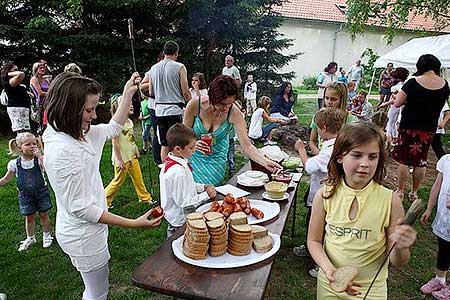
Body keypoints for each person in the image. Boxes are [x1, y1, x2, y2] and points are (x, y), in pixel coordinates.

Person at [43, 72, 163, 300]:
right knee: (97, 292)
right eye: (89, 110)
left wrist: (128, 92)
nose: (94, 115)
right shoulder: (63, 152)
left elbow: (113, 128)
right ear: (69, 108)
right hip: (82, 235)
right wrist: (133, 223)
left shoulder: (74, 132)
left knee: (97, 288)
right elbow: (81, 208)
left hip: (87, 231)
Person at [308, 122, 417, 299]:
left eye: (373, 157)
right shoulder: (324, 196)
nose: (365, 163)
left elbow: (398, 261)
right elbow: (313, 241)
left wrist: (401, 246)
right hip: (329, 284)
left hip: (370, 290)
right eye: (357, 155)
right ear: (339, 156)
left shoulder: (391, 201)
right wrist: (329, 271)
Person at [184, 75, 280, 186]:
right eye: (223, 104)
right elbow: (183, 135)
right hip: (193, 157)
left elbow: (247, 145)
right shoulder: (195, 105)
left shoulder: (234, 112)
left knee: (210, 194)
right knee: (189, 192)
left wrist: (264, 162)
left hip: (216, 160)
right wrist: (194, 143)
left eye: (231, 103)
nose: (227, 107)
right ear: (213, 98)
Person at [292, 108, 346, 277]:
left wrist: (301, 149)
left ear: (323, 127)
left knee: (319, 228)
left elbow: (308, 167)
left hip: (323, 197)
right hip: (327, 193)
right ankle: (309, 249)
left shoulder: (330, 150)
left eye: (316, 126)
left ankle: (320, 263)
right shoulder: (336, 143)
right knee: (314, 225)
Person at [393, 54, 450, 202]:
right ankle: (414, 192)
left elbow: (397, 103)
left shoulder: (412, 82)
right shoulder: (444, 85)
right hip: (428, 128)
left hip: (408, 126)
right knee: (421, 160)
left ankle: (400, 190)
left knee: (405, 160)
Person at [160, 123, 217, 238]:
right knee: (180, 242)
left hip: (180, 216)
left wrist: (202, 187)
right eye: (191, 147)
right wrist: (206, 195)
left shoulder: (178, 162)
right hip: (180, 220)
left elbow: (187, 185)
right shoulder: (177, 172)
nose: (194, 149)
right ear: (178, 149)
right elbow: (184, 202)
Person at [0, 132, 53, 252]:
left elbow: (49, 168)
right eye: (28, 144)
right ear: (19, 147)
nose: (32, 146)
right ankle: (31, 238)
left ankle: (47, 235)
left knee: (44, 215)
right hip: (25, 196)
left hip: (41, 193)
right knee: (29, 218)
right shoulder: (14, 164)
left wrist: (40, 156)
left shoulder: (38, 161)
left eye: (34, 143)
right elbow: (6, 178)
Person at [104, 94, 153, 208]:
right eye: (127, 103)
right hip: (122, 159)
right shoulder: (116, 124)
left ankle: (145, 198)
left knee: (138, 178)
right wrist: (120, 160)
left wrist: (135, 149)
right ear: (118, 107)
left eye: (131, 103)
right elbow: (115, 143)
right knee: (117, 182)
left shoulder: (129, 122)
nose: (131, 105)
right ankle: (104, 200)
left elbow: (131, 139)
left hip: (131, 157)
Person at [147, 41, 191, 161]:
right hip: (174, 110)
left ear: (164, 52)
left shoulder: (153, 69)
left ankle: (165, 170)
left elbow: (151, 92)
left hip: (159, 110)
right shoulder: (179, 67)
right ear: (176, 53)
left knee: (164, 144)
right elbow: (186, 91)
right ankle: (177, 167)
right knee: (178, 142)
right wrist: (192, 105)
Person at [420, 154, 450, 299]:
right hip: (444, 218)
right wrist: (429, 209)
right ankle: (440, 279)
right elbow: (437, 185)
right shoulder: (445, 160)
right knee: (443, 247)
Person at [309, 81, 358, 155]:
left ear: (342, 100)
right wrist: (320, 155)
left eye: (333, 99)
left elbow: (354, 145)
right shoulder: (318, 116)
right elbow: (312, 141)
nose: (329, 102)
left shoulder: (351, 120)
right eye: (327, 98)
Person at [140, 53, 164, 166]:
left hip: (168, 107)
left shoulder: (174, 70)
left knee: (169, 133)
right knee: (158, 133)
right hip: (155, 107)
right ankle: (158, 160)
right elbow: (142, 86)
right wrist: (154, 82)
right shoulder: (152, 71)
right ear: (159, 60)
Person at [378, 67, 409, 149]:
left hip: (396, 106)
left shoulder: (395, 87)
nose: (391, 79)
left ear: (397, 78)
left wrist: (384, 104)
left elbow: (395, 99)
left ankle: (389, 141)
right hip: (401, 106)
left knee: (390, 123)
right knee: (395, 124)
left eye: (392, 77)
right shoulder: (405, 84)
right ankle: (394, 139)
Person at [1, 62, 31, 134]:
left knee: (25, 131)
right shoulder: (9, 82)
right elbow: (21, 74)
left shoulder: (17, 84)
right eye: (15, 70)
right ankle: (19, 144)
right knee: (21, 131)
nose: (17, 71)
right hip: (17, 109)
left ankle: (23, 144)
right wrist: (8, 73)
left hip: (23, 109)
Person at [30, 62, 50, 133]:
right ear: (36, 69)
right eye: (40, 68)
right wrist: (52, 94)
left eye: (44, 68)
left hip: (48, 103)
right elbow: (40, 93)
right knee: (41, 125)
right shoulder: (34, 79)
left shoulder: (47, 80)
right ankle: (41, 142)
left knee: (48, 124)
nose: (42, 69)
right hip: (40, 104)